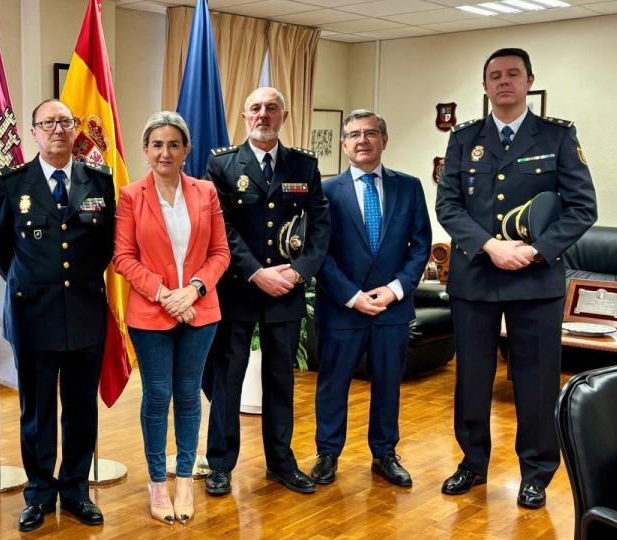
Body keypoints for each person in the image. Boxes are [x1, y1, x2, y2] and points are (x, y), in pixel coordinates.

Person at [436, 47, 596, 509]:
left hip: (536, 280)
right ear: (484, 86)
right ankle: (471, 463)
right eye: (494, 75)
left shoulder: (558, 136)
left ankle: (536, 472)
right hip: (476, 279)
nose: (503, 82)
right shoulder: (465, 138)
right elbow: (448, 205)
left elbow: (583, 208)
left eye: (513, 74)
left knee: (536, 378)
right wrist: (490, 246)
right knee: (472, 379)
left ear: (529, 81)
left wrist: (535, 250)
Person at [0, 99, 116, 532]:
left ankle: (76, 490)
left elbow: (106, 246)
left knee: (81, 408)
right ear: (34, 131)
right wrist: (33, 282)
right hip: (31, 314)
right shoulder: (11, 183)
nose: (57, 129)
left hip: (84, 310)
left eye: (65, 122)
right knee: (37, 411)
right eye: (48, 123)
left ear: (76, 129)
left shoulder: (99, 181)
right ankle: (39, 492)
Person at [202, 87, 331, 496]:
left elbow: (320, 225)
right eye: (256, 108)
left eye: (271, 108)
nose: (263, 114)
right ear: (244, 117)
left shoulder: (303, 166)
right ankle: (220, 464)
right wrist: (257, 273)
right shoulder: (222, 164)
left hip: (287, 292)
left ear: (284, 116)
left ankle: (281, 462)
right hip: (239, 290)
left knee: (281, 380)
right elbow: (221, 227)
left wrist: (298, 273)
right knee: (228, 381)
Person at [113, 112, 230, 524]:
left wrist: (193, 290)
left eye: (174, 144)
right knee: (158, 395)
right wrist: (165, 295)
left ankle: (184, 477)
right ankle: (157, 482)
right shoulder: (130, 195)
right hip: (150, 312)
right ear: (146, 151)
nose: (165, 152)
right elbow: (123, 257)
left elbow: (221, 253)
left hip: (200, 310)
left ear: (187, 150)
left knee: (188, 394)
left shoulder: (206, 193)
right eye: (157, 144)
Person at [312, 110, 432, 487]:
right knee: (333, 385)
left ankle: (384, 454)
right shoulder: (327, 192)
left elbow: (420, 245)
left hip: (391, 309)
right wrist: (352, 296)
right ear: (345, 144)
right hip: (342, 309)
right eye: (354, 135)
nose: (362, 140)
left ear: (384, 139)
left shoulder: (409, 187)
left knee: (387, 385)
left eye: (370, 133)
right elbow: (320, 253)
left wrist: (395, 289)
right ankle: (327, 454)